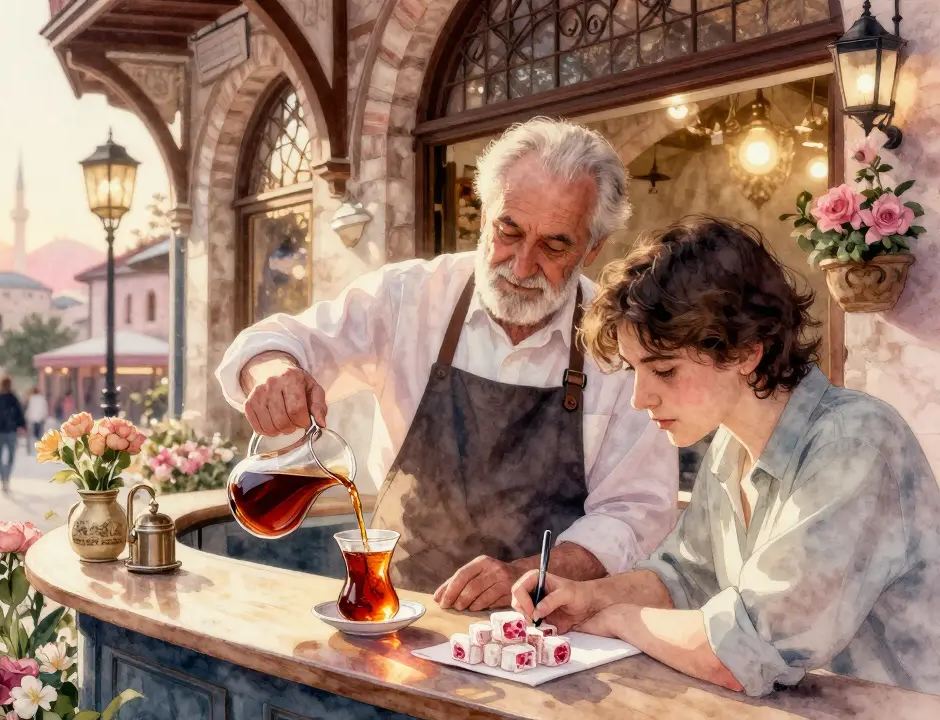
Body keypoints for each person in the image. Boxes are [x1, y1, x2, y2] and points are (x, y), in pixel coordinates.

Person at [216, 118, 679, 609]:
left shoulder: (620, 343)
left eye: (554, 245)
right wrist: (273, 373)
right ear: (484, 218)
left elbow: (635, 513)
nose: (522, 266)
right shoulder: (406, 299)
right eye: (509, 230)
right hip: (402, 614)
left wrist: (528, 573)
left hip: (549, 630)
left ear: (592, 248)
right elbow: (274, 341)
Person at [509, 217, 940, 696]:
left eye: (664, 371)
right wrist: (586, 597)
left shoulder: (854, 445)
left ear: (744, 353)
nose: (639, 398)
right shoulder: (729, 448)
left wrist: (619, 618)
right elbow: (686, 576)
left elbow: (742, 652)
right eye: (634, 370)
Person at [0, 377, 26, 492]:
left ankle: (3, 478)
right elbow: (19, 413)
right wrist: (22, 425)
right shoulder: (14, 399)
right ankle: (7, 477)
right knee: (11, 456)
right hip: (11, 431)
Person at [24, 386, 49, 454]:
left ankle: (32, 449)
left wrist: (27, 416)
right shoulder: (42, 398)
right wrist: (45, 416)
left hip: (32, 418)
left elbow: (29, 408)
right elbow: (44, 408)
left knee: (32, 434)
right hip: (40, 418)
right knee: (39, 433)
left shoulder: (30, 398)